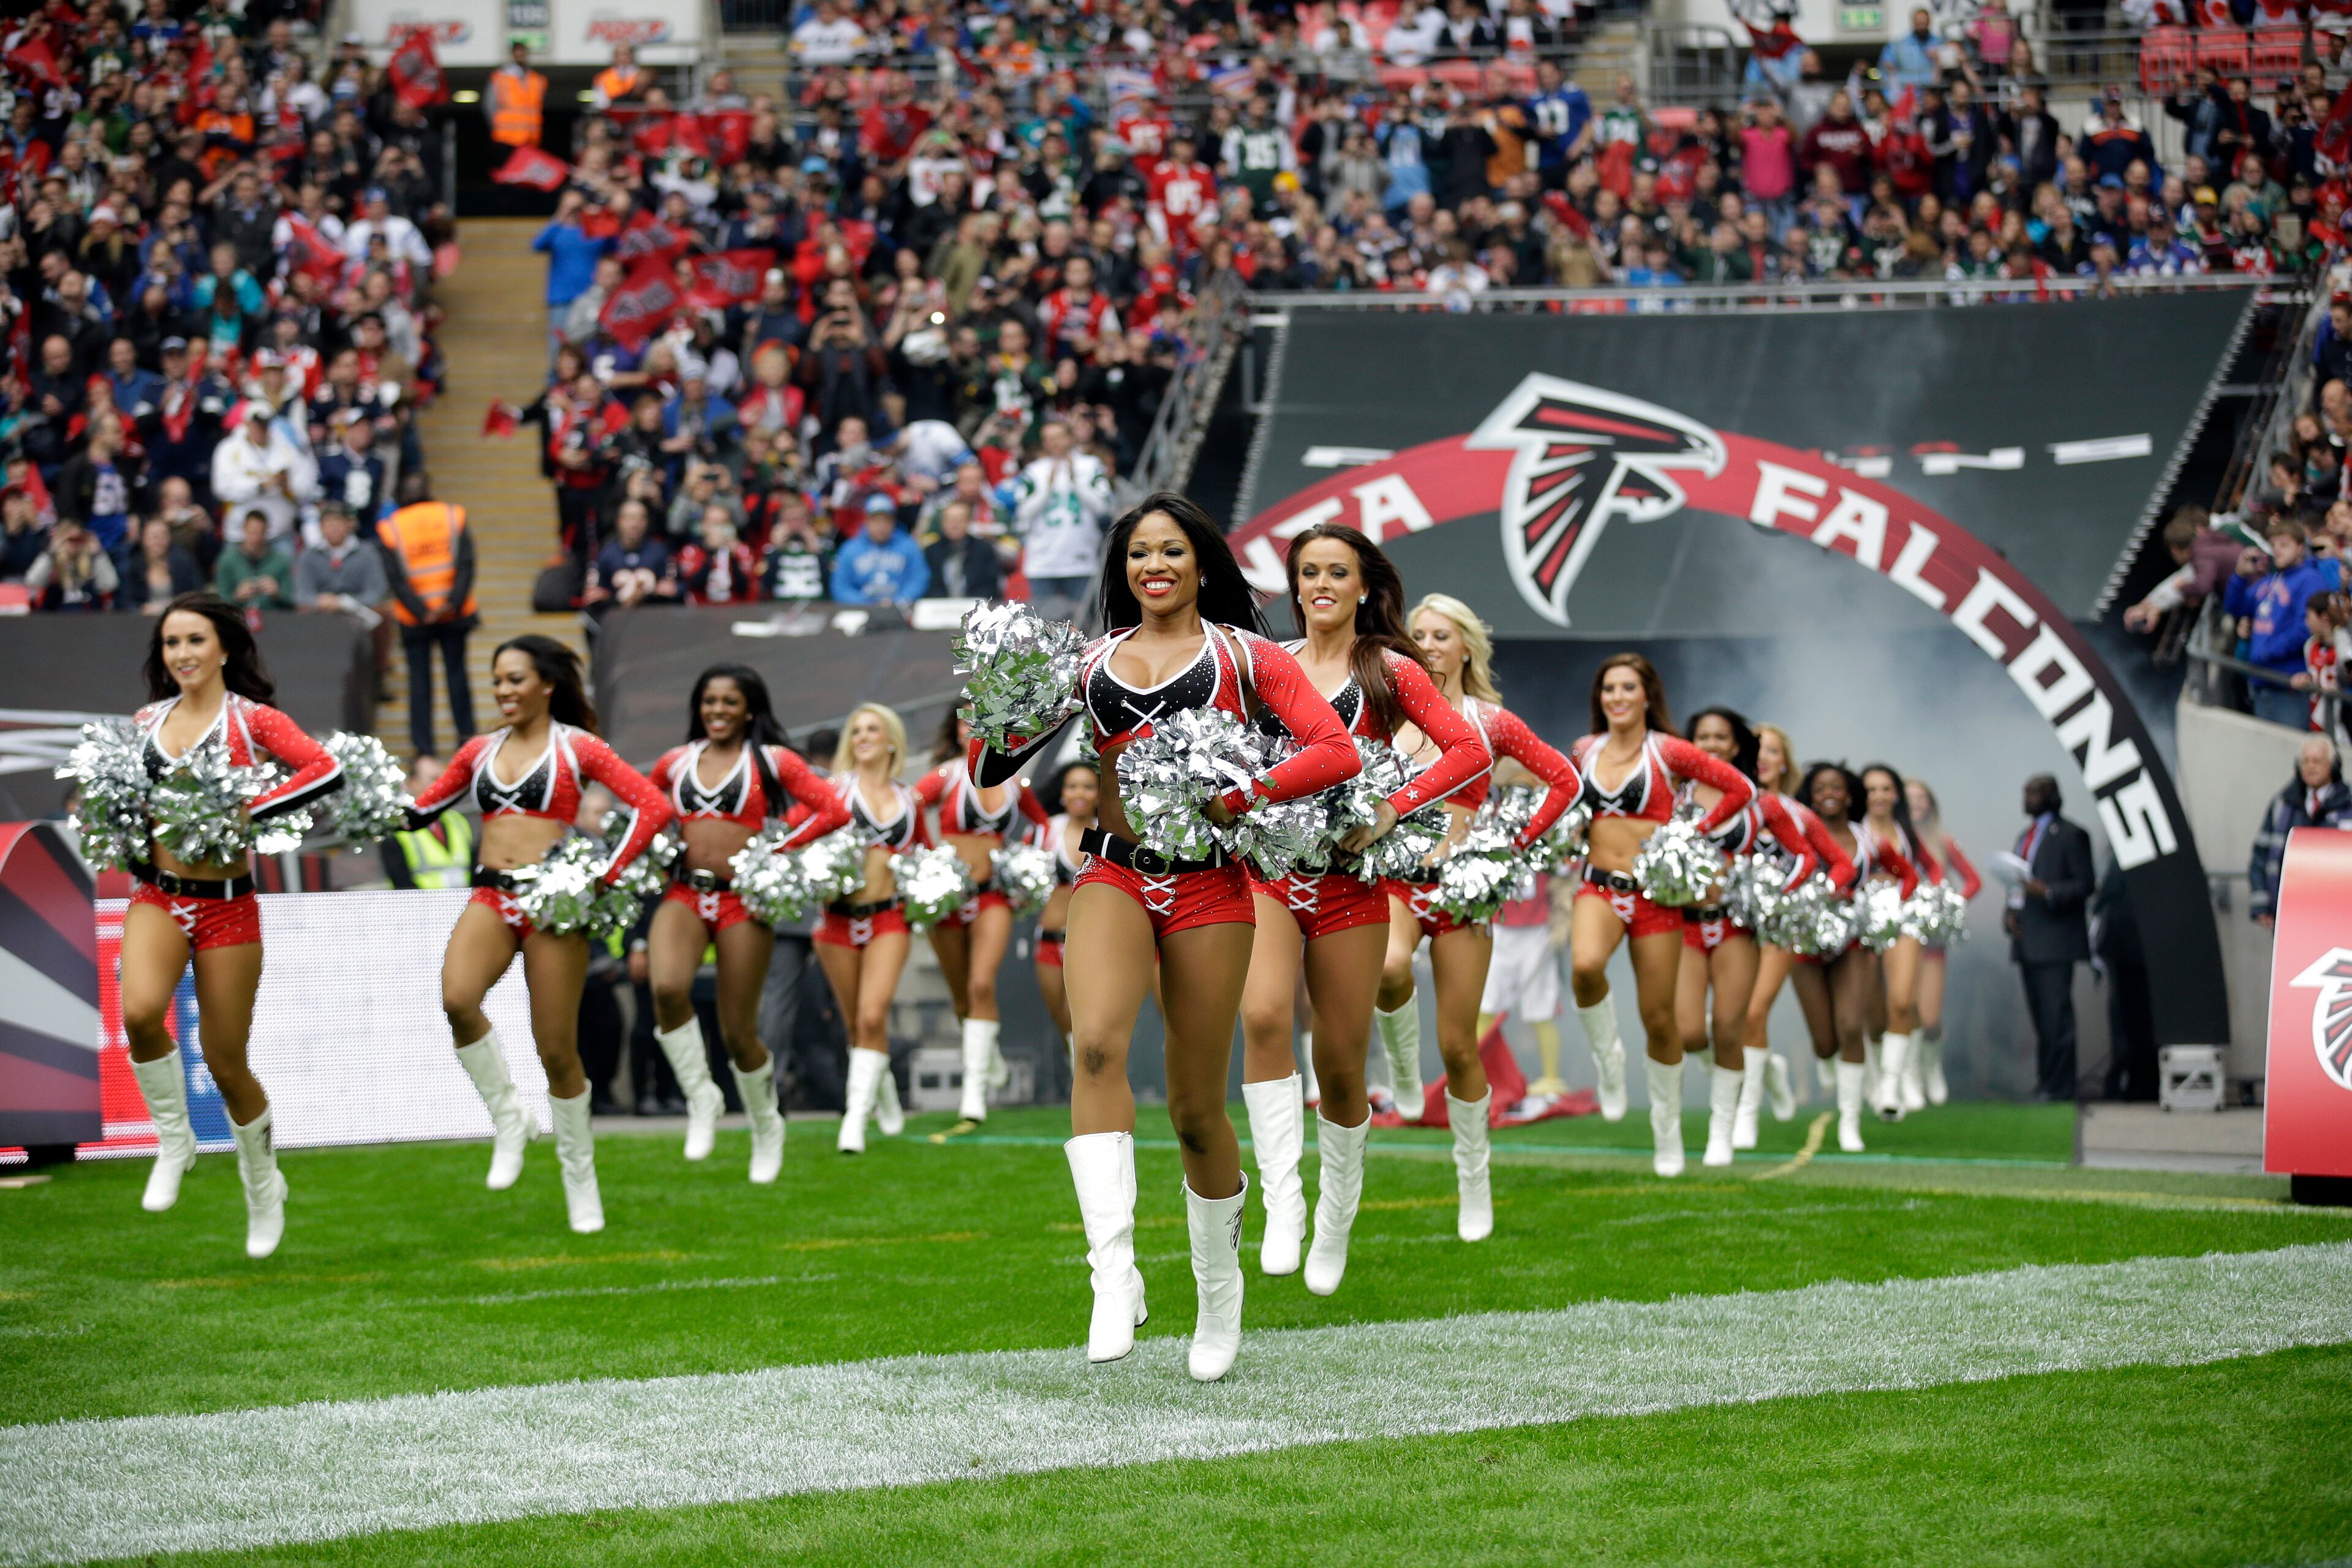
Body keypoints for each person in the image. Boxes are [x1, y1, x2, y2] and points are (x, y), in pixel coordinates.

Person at [968, 492, 1360, 1382]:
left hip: (1209, 884)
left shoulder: (1246, 655)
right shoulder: (1094, 658)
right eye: (1141, 553)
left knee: (1193, 1108)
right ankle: (1113, 1276)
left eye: (1172, 552)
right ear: (1124, 571)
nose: (1156, 566)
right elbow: (992, 765)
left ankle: (1218, 1298)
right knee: (1097, 1049)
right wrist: (1001, 707)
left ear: (1200, 563)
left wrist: (1243, 797)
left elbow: (1333, 750)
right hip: (1109, 871)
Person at [1240, 528, 1495, 1288]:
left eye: (1336, 572)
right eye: (1308, 572)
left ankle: (1334, 1220)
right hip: (1271, 873)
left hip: (1353, 885)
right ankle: (1284, 1200)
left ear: (1362, 587)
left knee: (1341, 1064)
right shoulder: (1265, 665)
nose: (1321, 583)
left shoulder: (1387, 669)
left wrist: (1389, 809)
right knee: (1260, 1016)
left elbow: (1466, 751)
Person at [404, 637, 674, 1232]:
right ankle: (509, 1116)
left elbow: (652, 806)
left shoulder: (577, 747)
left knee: (556, 1048)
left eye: (516, 679)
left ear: (546, 685)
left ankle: (581, 1178)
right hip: (492, 893)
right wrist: (364, 797)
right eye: (497, 680)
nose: (503, 691)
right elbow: (420, 811)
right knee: (456, 998)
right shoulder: (478, 751)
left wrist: (605, 870)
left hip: (554, 901)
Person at [120, 594, 344, 1257]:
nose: (182, 654)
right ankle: (174, 1138)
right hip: (159, 897)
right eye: (170, 643)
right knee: (139, 1013)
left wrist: (252, 810)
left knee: (225, 1061)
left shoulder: (252, 721)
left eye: (194, 640)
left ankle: (261, 1183)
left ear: (224, 649)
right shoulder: (145, 721)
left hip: (228, 906)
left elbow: (323, 768)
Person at [644, 666, 850, 1180]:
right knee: (667, 988)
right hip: (686, 893)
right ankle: (702, 1099)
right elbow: (645, 808)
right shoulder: (675, 762)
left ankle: (766, 1124)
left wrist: (778, 847)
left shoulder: (771, 761)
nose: (718, 710)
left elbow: (832, 810)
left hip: (744, 900)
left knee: (740, 1032)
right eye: (709, 700)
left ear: (750, 710)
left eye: (729, 702)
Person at [1564, 655, 1755, 1178]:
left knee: (1661, 1020)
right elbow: (1566, 801)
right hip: (1599, 887)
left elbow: (1741, 790)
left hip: (1657, 898)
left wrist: (1694, 832)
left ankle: (1667, 1136)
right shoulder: (1586, 749)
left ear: (1648, 695)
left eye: (1628, 687)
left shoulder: (1668, 751)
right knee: (1584, 967)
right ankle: (1609, 1063)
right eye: (1609, 689)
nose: (1617, 697)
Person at [1673, 707, 1820, 1166]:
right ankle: (1756, 1069)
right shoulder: (1674, 795)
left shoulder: (1761, 802)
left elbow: (1805, 858)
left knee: (1732, 1027)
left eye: (1721, 737)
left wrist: (1775, 893)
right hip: (1687, 926)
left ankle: (1723, 1132)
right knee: (1690, 1032)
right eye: (1704, 736)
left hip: (1737, 928)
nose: (1712, 744)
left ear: (1737, 745)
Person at [916, 710, 1051, 1124]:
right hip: (948, 896)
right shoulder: (947, 776)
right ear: (954, 731)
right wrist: (927, 856)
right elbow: (909, 808)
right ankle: (988, 1057)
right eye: (965, 722)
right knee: (961, 996)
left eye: (982, 721)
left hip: (992, 894)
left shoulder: (1012, 781)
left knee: (980, 984)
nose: (972, 729)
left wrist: (1028, 860)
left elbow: (1042, 824)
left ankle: (973, 1095)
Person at [809, 703, 927, 1155]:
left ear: (891, 740)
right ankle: (885, 1094)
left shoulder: (908, 799)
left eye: (873, 729)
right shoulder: (832, 790)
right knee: (855, 1025)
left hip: (889, 917)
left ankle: (854, 1122)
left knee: (873, 1015)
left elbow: (923, 850)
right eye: (856, 730)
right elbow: (803, 838)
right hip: (837, 919)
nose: (863, 736)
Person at [1734, 725, 1855, 1150]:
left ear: (1785, 762)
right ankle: (1771, 1072)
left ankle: (1745, 1116)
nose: (1763, 757)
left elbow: (1842, 864)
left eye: (1772, 751)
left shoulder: (1799, 815)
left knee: (1754, 1013)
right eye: (1756, 750)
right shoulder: (1730, 806)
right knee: (1727, 1020)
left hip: (1782, 927)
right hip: (1733, 924)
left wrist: (1810, 896)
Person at [1792, 762, 1915, 1150]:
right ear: (1810, 796)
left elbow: (1908, 875)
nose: (1829, 793)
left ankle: (1850, 1121)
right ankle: (1833, 1067)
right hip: (1806, 944)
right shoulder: (1796, 834)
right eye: (1820, 787)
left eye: (1837, 787)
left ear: (1849, 795)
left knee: (1850, 1024)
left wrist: (1889, 901)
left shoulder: (1868, 840)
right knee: (1825, 1042)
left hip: (1855, 944)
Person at [2006, 772, 2094, 1101]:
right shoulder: (2024, 836)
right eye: (2025, 792)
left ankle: (2060, 1087)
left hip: (2057, 941)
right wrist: (2010, 914)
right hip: (2028, 939)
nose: (2028, 798)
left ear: (2052, 795)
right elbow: (2017, 885)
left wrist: (2050, 891)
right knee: (2041, 1019)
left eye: (2035, 792)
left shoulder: (2071, 835)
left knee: (2057, 1017)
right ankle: (2045, 1082)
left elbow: (2086, 884)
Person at [379, 472, 480, 758]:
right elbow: (467, 564)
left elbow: (395, 579)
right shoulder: (452, 515)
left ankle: (424, 751)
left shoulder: (391, 527)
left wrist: (423, 612)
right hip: (455, 614)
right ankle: (467, 741)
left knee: (419, 685)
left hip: (416, 620)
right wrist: (452, 604)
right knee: (458, 679)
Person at [1901, 777, 1981, 1108]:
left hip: (1932, 938)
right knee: (1902, 1007)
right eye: (1910, 798)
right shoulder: (1893, 838)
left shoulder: (1943, 842)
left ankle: (1931, 1066)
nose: (1917, 804)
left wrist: (1951, 906)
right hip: (1898, 934)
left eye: (1922, 798)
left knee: (1930, 1017)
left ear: (1932, 803)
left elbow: (1973, 881)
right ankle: (1908, 1076)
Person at [2225, 516, 2344, 729]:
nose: (2278, 550)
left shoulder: (2310, 579)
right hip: (2262, 682)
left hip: (2288, 685)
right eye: (2274, 545)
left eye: (2285, 545)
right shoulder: (2269, 581)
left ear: (2300, 547)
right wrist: (2240, 576)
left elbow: (2306, 627)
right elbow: (2235, 607)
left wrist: (2265, 653)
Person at [1011, 418, 1114, 628]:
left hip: (1081, 559)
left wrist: (1077, 482)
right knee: (1042, 626)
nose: (1055, 443)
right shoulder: (1034, 471)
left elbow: (1103, 508)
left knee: (1084, 624)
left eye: (1059, 437)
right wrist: (1045, 488)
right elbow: (1022, 513)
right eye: (1049, 439)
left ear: (1070, 437)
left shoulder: (1091, 465)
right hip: (1042, 560)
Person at [1030, 760, 1098, 1058]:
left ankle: (1087, 1079)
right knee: (1061, 1017)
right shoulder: (1045, 832)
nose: (1079, 793)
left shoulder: (1108, 833)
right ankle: (1079, 1075)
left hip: (1092, 943)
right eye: (1072, 786)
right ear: (1062, 793)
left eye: (1088, 786)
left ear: (1099, 794)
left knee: (1080, 1015)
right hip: (1049, 939)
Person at [2249, 734, 2352, 927]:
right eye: (2305, 761)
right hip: (2290, 915)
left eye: (2317, 761)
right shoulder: (2282, 804)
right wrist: (2262, 905)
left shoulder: (2349, 804)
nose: (2310, 767)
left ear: (2333, 765)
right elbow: (2261, 854)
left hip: (2339, 915)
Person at [382, 752, 473, 891]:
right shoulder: (398, 827)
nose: (441, 786)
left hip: (464, 907)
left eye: (443, 779)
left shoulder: (458, 820)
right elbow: (401, 882)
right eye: (433, 779)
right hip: (421, 909)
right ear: (413, 783)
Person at [831, 493, 929, 606]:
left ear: (893, 522)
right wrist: (866, 603)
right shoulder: (849, 549)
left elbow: (919, 579)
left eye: (886, 521)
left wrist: (899, 601)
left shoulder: (909, 545)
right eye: (876, 521)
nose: (881, 526)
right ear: (866, 521)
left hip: (901, 609)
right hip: (861, 610)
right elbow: (841, 587)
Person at [214, 509, 295, 612]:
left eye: (260, 533)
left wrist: (277, 594)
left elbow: (294, 601)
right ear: (244, 529)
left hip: (274, 617)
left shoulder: (280, 560)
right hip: (238, 617)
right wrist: (237, 596)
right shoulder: (228, 560)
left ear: (267, 532)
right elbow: (219, 601)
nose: (256, 538)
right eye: (252, 532)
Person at [922, 500, 1003, 600]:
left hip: (976, 607)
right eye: (950, 520)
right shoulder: (932, 551)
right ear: (942, 523)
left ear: (968, 522)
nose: (955, 525)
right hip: (940, 608)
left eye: (960, 520)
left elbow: (990, 585)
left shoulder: (983, 550)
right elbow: (928, 584)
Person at [486, 40, 548, 151]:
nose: (520, 55)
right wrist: (497, 127)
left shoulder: (536, 79)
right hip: (506, 139)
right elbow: (490, 106)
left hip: (531, 138)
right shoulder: (501, 78)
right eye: (517, 52)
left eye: (522, 52)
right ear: (512, 55)